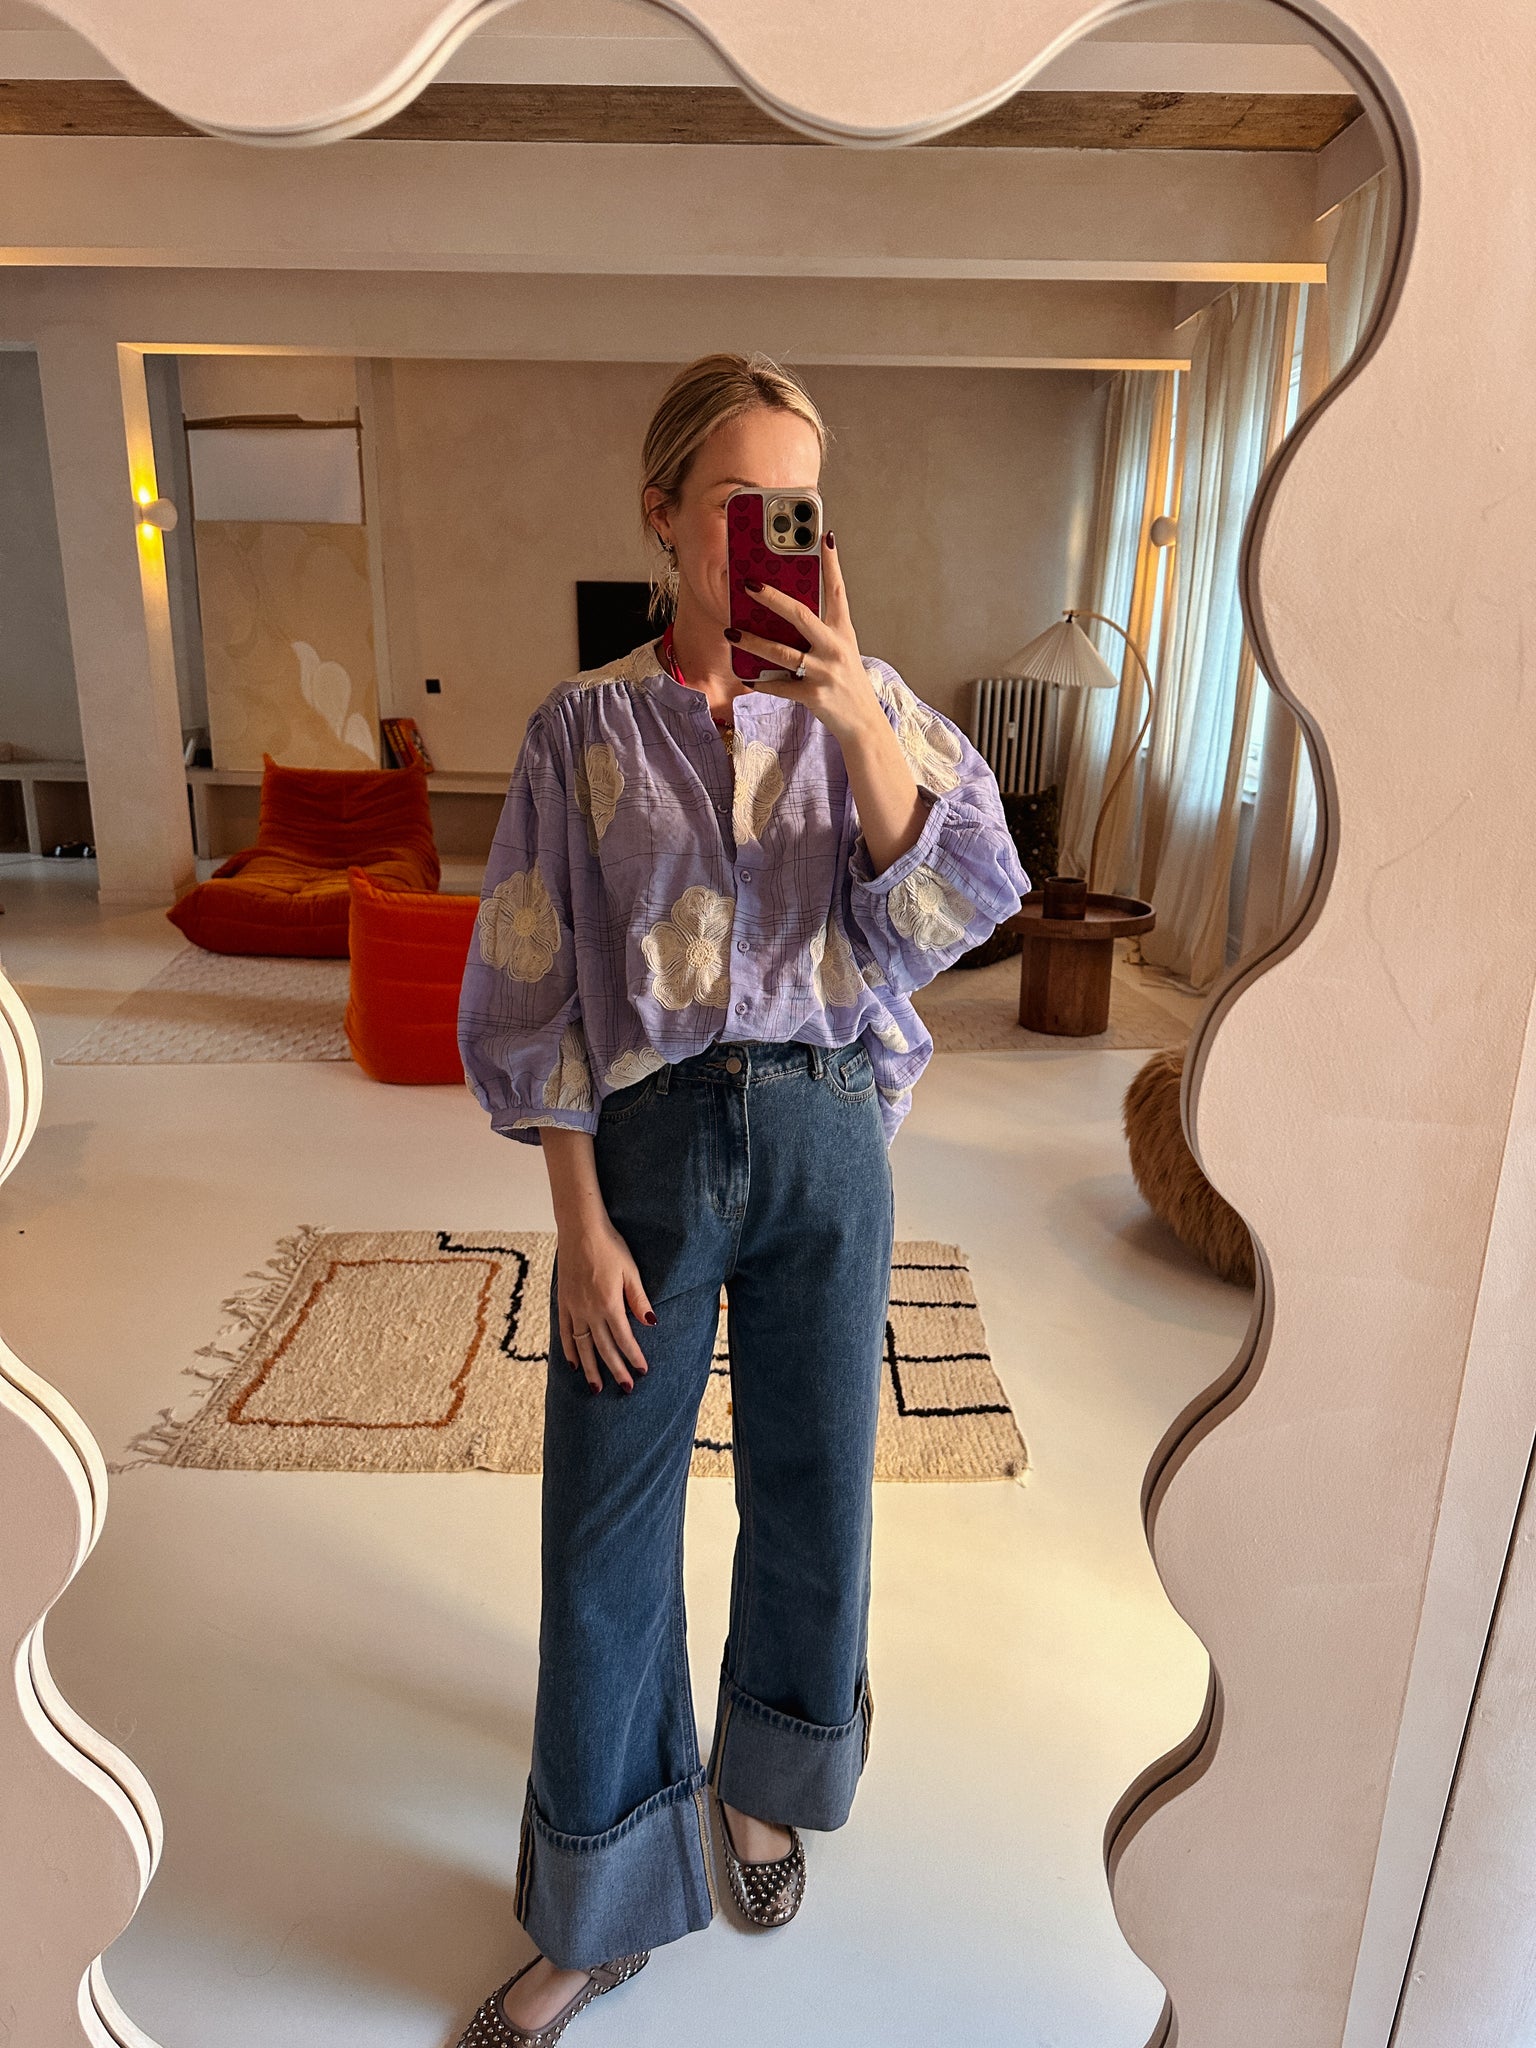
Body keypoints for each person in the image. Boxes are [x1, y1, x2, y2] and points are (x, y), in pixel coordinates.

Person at [455, 353, 1028, 2046]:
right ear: (663, 515)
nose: (774, 534)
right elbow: (535, 989)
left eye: (800, 506)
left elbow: (949, 910)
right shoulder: (580, 729)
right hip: (644, 1154)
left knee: (815, 1491)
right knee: (602, 1534)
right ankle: (604, 1904)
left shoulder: (874, 701)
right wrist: (575, 1224)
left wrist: (856, 726)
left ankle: (762, 1787)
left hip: (830, 1142)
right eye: (739, 503)